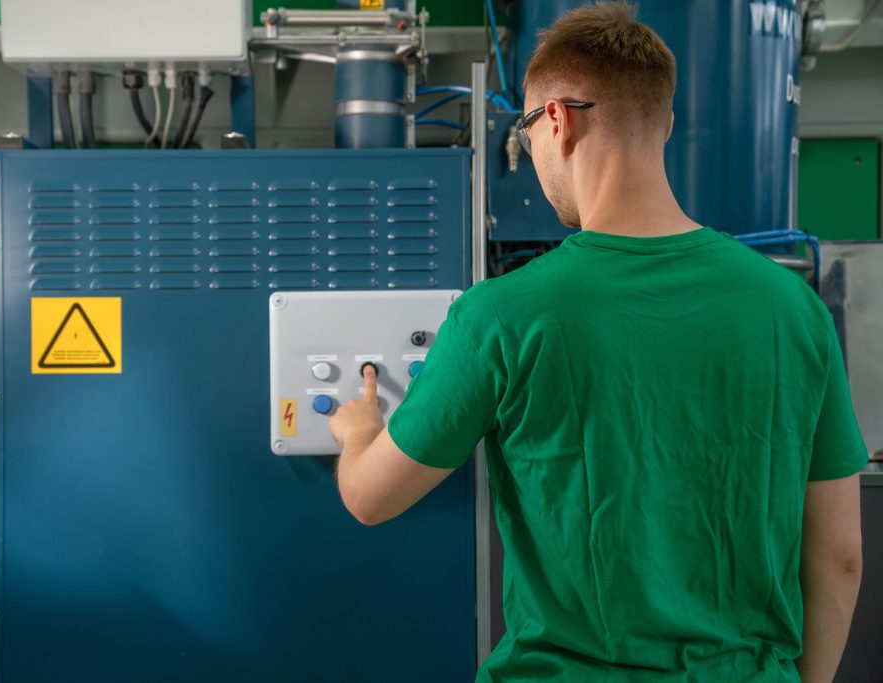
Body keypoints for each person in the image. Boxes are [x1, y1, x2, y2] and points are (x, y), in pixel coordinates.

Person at [328, 2, 866, 681]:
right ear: (664, 123)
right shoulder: (795, 310)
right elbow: (839, 556)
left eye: (525, 133)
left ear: (556, 120)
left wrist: (358, 432)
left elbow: (371, 498)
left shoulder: (500, 315)